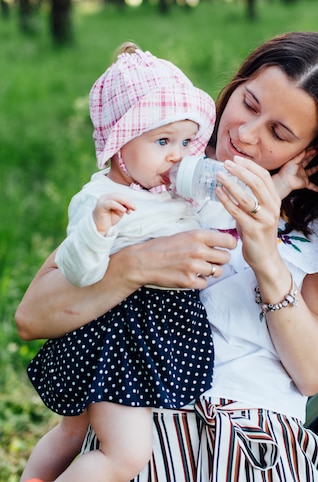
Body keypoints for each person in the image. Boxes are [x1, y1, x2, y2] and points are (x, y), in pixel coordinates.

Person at [16, 31, 318, 482]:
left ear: (309, 152)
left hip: (255, 446)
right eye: (249, 104)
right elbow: (33, 317)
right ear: (235, 85)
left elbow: (312, 375)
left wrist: (265, 257)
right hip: (145, 424)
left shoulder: (317, 229)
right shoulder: (158, 178)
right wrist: (138, 265)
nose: (245, 134)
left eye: (278, 132)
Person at [20, 43, 218, 482]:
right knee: (125, 454)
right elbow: (79, 271)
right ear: (117, 147)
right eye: (162, 141)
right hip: (117, 334)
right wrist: (96, 230)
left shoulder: (170, 192)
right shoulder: (101, 199)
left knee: (73, 431)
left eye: (186, 141)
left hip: (152, 332)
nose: (177, 155)